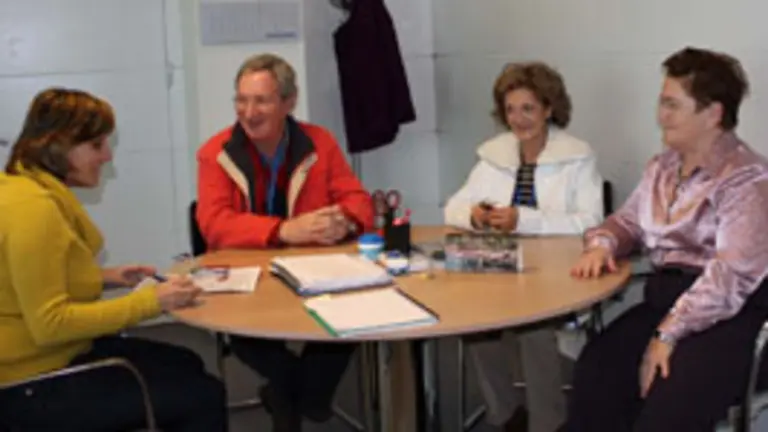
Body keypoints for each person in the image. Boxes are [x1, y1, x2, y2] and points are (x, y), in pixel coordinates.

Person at [0, 88, 228, 432]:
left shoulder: (23, 187)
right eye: (96, 146)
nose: (107, 156)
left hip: (44, 358)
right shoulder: (34, 210)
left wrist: (108, 277)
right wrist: (150, 302)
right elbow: (50, 324)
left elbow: (33, 280)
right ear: (58, 145)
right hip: (31, 385)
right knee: (203, 394)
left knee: (188, 361)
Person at [567, 47, 768, 431]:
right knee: (598, 370)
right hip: (665, 300)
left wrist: (668, 332)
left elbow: (731, 276)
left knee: (669, 392)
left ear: (713, 113)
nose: (661, 116)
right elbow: (629, 223)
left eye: (672, 105)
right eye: (661, 104)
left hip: (730, 314)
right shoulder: (662, 167)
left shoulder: (747, 177)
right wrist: (603, 244)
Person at [196, 53, 374, 431]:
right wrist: (282, 231)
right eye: (241, 100)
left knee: (351, 322)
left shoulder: (319, 142)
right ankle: (298, 393)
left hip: (314, 271)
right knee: (249, 338)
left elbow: (358, 201)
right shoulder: (216, 153)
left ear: (288, 103)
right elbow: (213, 224)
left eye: (261, 100)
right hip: (244, 279)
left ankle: (290, 394)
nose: (249, 111)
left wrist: (343, 221)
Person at [444, 62, 604, 431]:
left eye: (528, 108)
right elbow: (452, 207)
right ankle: (506, 415)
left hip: (555, 272)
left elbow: (591, 222)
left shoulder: (578, 156)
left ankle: (549, 423)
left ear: (549, 109)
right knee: (474, 324)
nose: (518, 119)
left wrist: (525, 220)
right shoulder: (494, 155)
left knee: (534, 330)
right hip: (498, 268)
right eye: (511, 109)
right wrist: (477, 215)